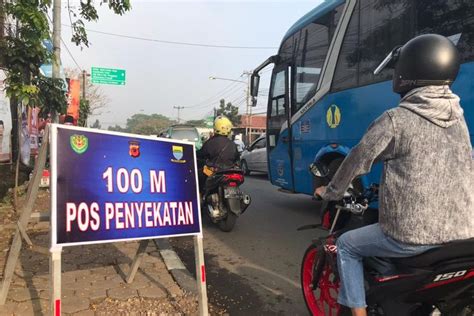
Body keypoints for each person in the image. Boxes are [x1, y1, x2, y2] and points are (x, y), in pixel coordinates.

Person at [314, 34, 473, 316]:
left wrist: (330, 191)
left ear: (407, 72)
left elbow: (355, 162)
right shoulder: (457, 118)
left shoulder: (396, 120)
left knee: (347, 245)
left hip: (413, 236)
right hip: (464, 233)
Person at [197, 115, 239, 191]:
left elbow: (200, 155)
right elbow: (237, 158)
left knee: (199, 176)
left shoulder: (209, 143)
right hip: (229, 172)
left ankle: (200, 197)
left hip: (214, 172)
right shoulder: (232, 144)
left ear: (215, 127)